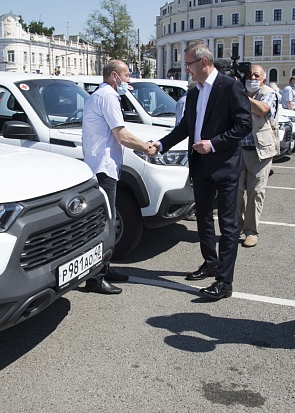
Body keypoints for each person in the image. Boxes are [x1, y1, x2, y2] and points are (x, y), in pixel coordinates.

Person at [156, 42, 252, 300]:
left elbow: (245, 125)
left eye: (188, 64)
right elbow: (185, 127)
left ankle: (225, 281)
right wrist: (162, 144)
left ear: (203, 62)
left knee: (228, 225)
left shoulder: (230, 86)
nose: (186, 69)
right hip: (199, 166)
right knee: (203, 219)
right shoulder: (195, 93)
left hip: (226, 166)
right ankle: (210, 263)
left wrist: (214, 143)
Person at [81, 59, 158, 294]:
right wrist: (145, 147)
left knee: (109, 220)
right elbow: (121, 135)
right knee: (105, 223)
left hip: (105, 167)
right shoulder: (108, 96)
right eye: (126, 76)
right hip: (103, 169)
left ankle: (105, 266)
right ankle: (96, 278)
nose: (129, 80)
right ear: (114, 76)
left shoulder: (105, 95)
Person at [238, 65, 279, 248]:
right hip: (237, 150)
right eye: (249, 75)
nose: (252, 78)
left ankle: (251, 231)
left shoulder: (268, 93)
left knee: (256, 192)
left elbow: (262, 109)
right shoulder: (238, 91)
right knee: (235, 192)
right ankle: (236, 226)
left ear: (263, 79)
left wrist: (240, 96)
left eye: (256, 76)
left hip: (260, 151)